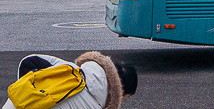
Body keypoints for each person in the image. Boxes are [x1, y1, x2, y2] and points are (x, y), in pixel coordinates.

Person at [3, 52, 137, 109]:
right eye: (124, 99)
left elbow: (29, 60)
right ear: (121, 92)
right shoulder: (92, 105)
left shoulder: (71, 69)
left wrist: (30, 92)